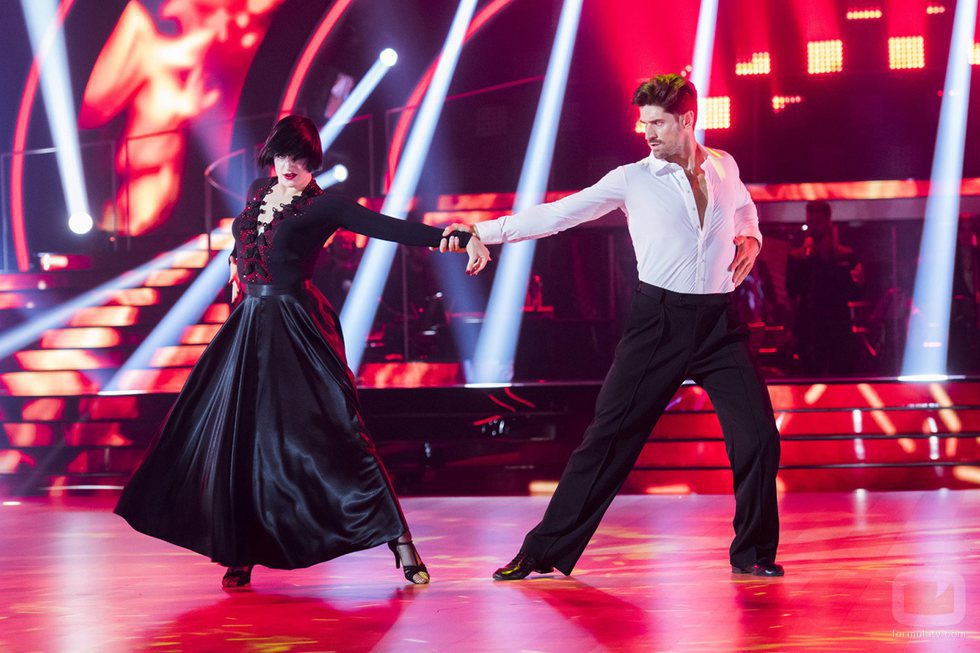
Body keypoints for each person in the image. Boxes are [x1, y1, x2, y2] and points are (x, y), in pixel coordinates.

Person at [115, 115, 491, 589]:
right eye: (280, 156)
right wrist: (237, 267)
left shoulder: (325, 206)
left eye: (297, 157)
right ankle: (240, 550)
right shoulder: (258, 190)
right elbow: (245, 246)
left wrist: (457, 236)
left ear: (312, 160)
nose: (287, 165)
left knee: (339, 432)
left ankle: (400, 541)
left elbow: (388, 227)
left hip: (296, 325)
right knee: (240, 437)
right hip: (249, 325)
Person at [442, 74, 783, 578]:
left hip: (719, 322)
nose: (647, 132)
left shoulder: (724, 166)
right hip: (659, 323)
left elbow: (745, 210)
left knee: (758, 437)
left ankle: (753, 554)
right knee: (607, 441)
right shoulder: (632, 178)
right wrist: (482, 231)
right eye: (643, 123)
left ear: (687, 119)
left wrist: (750, 238)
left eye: (658, 123)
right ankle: (542, 552)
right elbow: (558, 215)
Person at [786, 200, 864, 375]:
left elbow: (854, 293)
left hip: (838, 326)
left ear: (828, 222)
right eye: (811, 221)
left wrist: (859, 281)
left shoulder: (844, 255)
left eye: (818, 221)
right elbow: (791, 290)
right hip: (810, 328)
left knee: (841, 376)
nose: (814, 226)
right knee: (810, 376)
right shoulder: (797, 257)